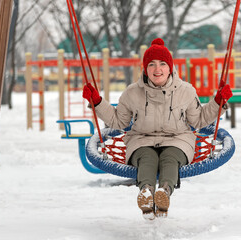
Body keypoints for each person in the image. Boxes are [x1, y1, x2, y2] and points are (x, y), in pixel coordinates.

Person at [82, 38, 233, 220]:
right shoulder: (132, 93)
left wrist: (218, 102)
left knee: (170, 158)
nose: (157, 69)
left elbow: (199, 119)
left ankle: (164, 193)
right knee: (146, 159)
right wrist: (97, 102)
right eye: (151, 64)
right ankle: (146, 193)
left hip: (178, 139)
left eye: (162, 64)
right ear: (145, 68)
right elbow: (118, 121)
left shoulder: (186, 91)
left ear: (170, 67)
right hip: (141, 139)